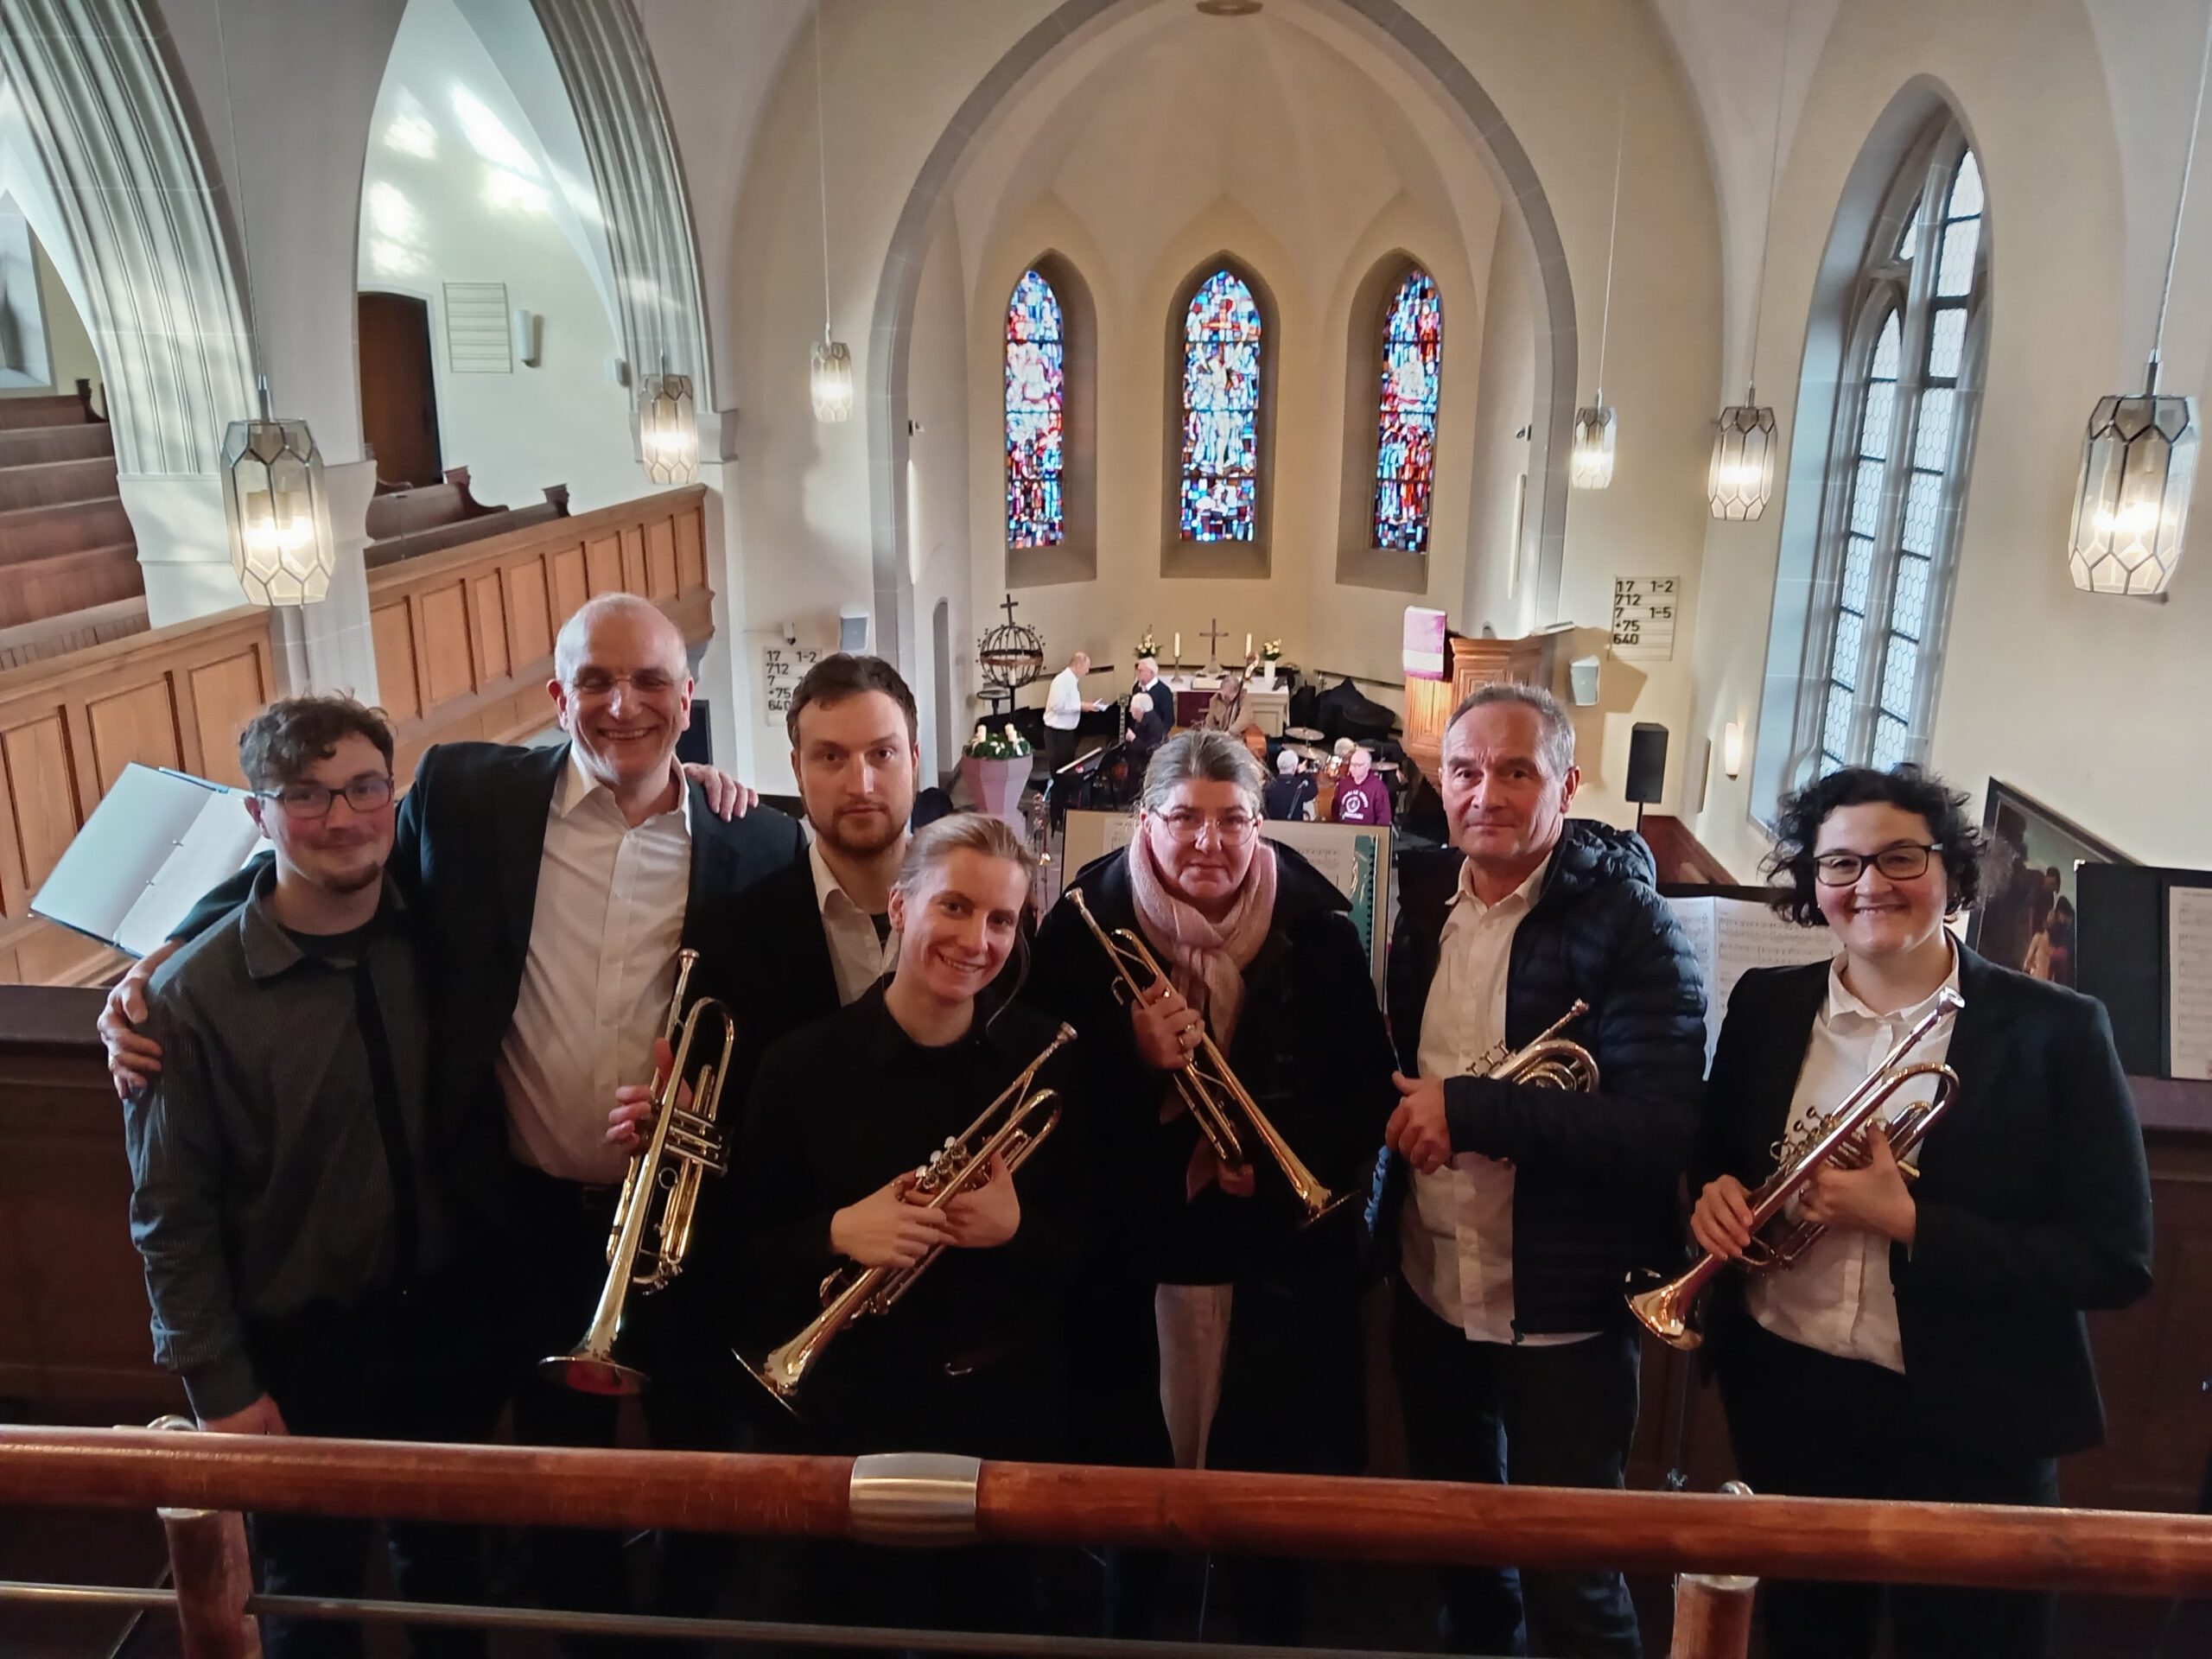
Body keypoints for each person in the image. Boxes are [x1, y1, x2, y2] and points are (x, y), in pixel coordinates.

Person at [101, 593, 799, 1649]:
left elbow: (781, 1035)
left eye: (652, 681)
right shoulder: (474, 796)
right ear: (557, 697)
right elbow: (305, 858)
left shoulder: (755, 845)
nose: (624, 705)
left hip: (682, 1234)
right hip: (517, 1225)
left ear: (689, 697)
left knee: (705, 1461)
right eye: (596, 683)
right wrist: (160, 960)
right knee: (541, 1500)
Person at [1688, 766, 2152, 1659]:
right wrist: (1711, 1198)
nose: (1868, 886)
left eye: (1899, 858)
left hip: (1973, 1416)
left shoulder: (2058, 1031)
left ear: (1951, 871)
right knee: (1804, 1635)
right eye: (1839, 865)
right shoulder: (1766, 1006)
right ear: (1810, 884)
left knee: (1973, 1641)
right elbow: (1718, 1160)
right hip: (1792, 1392)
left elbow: (2114, 1258)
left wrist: (1909, 1222)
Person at [123, 696, 502, 1659]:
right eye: (304, 795)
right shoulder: (188, 999)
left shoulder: (442, 930)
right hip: (297, 1349)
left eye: (363, 788)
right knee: (308, 1599)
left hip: (447, 1323)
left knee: (454, 1580)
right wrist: (219, 1389)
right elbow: (169, 1216)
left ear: (393, 794)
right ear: (259, 816)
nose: (340, 818)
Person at [1027, 731, 1397, 1643]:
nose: (1207, 842)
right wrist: (1132, 1056)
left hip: (1270, 1255)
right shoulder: (1079, 925)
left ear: (1261, 827)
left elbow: (1362, 1091)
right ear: (1143, 820)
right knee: (1128, 1495)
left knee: (1266, 1495)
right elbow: (1033, 1099)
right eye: (1183, 818)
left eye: (1233, 822)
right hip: (1128, 1253)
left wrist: (1277, 1162)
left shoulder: (1315, 923)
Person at [1377, 683, 1705, 1659]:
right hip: (1433, 1287)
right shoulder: (1421, 895)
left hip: (1563, 1307)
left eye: (1516, 771)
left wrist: (1470, 1110)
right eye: (1466, 771)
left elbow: (1659, 1130)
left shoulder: (1632, 925)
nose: (1486, 794)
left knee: (1574, 1580)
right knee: (1463, 1557)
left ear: (1565, 783)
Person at [719, 813, 1090, 1634]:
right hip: (848, 1415)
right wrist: (837, 1234)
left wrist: (1016, 1230)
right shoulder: (802, 1066)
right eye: (953, 908)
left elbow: (1094, 1251)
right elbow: (736, 1253)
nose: (976, 940)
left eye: (1001, 920)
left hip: (1001, 1413)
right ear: (899, 907)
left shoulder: (1045, 1060)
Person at [1045, 649, 1105, 778]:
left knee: (1068, 769)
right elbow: (1056, 706)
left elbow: (1068, 703)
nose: (1087, 672)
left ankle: (1065, 796)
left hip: (1066, 734)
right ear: (1078, 665)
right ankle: (1057, 796)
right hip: (1057, 734)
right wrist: (1081, 706)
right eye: (1086, 668)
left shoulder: (1071, 680)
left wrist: (1083, 705)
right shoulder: (1061, 680)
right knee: (1060, 771)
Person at [1329, 745, 1393, 825]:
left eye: (1357, 765)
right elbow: (1335, 810)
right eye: (1351, 764)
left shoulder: (1378, 787)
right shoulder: (1343, 783)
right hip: (1343, 831)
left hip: (1366, 833)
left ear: (1367, 766)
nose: (1351, 769)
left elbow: (1384, 818)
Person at [1262, 748, 1314, 822]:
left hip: (1273, 829)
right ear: (1294, 768)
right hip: (1294, 830)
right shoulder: (1299, 785)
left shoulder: (1268, 786)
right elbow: (1314, 790)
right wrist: (1303, 773)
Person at [1201, 666, 1247, 734]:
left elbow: (1244, 718)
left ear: (1236, 692)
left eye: (1227, 697)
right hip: (1220, 735)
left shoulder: (1244, 698)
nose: (1223, 698)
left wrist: (1230, 732)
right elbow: (1210, 721)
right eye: (1223, 695)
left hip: (1237, 737)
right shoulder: (1215, 699)